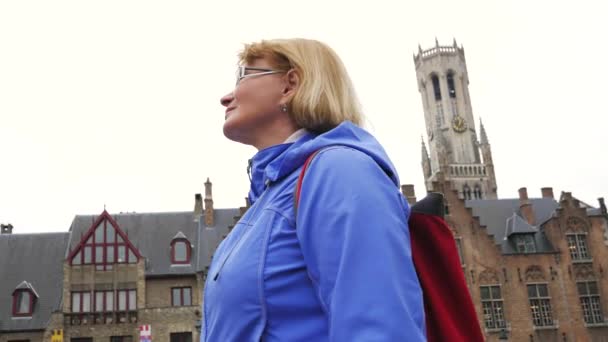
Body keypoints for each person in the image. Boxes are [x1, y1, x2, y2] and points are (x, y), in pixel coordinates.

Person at [203, 38, 426, 341]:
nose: (226, 97)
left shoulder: (340, 171)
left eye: (243, 74)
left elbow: (380, 326)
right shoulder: (271, 195)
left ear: (290, 84)